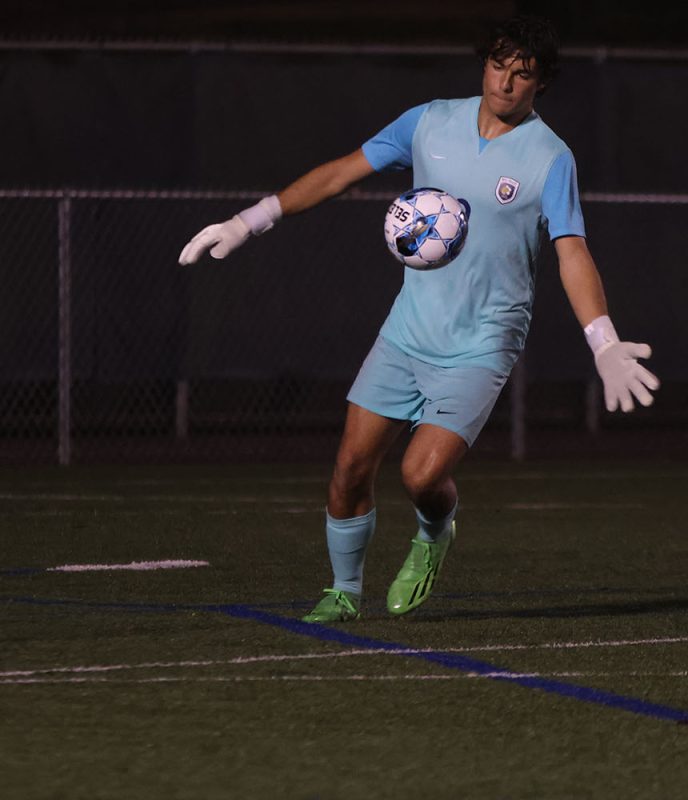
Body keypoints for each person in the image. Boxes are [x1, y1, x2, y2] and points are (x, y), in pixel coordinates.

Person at [178, 15, 659, 622]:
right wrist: (246, 221)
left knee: (420, 474)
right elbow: (342, 171)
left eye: (524, 74)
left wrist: (603, 341)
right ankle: (343, 591)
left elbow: (571, 251)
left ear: (542, 85)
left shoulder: (549, 157)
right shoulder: (429, 121)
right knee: (350, 468)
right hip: (407, 331)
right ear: (483, 62)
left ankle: (436, 533)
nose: (506, 82)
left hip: (483, 341)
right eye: (498, 64)